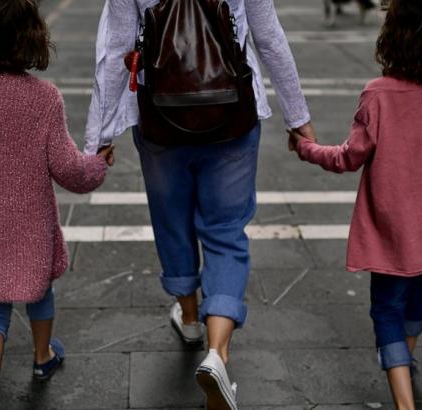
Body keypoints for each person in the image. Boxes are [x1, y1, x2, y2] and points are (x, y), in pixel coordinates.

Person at [85, 0, 314, 407]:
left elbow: (114, 51)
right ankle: (218, 352)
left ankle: (190, 318)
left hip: (161, 118)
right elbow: (269, 38)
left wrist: (99, 137)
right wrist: (297, 118)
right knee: (226, 232)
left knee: (171, 219)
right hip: (232, 114)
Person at [288, 0, 422, 409]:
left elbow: (347, 158)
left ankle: (403, 397)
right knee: (417, 282)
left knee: (385, 308)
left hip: (389, 225)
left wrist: (306, 148)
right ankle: (404, 357)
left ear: (395, 32)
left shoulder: (378, 94)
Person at [0, 1, 114, 409]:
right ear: (31, 37)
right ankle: (42, 357)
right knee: (39, 288)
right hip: (30, 223)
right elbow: (67, 168)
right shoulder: (44, 98)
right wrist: (97, 165)